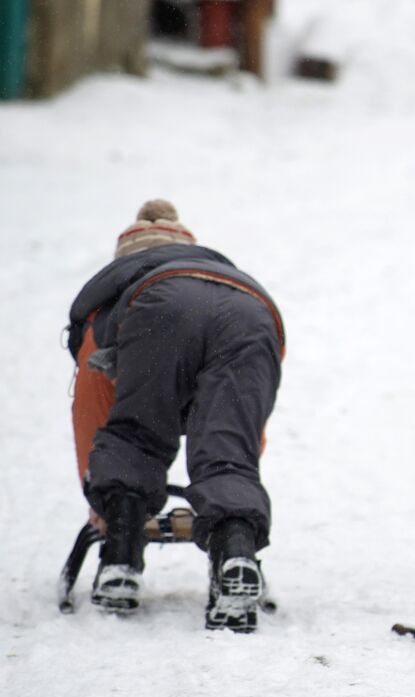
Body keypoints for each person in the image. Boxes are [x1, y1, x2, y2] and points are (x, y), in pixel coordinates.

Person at [67, 199, 285, 633]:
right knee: (229, 452)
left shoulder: (121, 294)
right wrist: (236, 461)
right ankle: (235, 559)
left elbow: (91, 410)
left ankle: (120, 563)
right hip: (255, 313)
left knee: (136, 434)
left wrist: (101, 496)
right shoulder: (226, 278)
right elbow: (247, 428)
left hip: (162, 311)